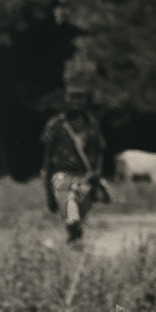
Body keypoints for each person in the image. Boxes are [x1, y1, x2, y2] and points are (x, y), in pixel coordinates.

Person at [39, 88, 107, 243]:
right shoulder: (55, 125)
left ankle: (74, 244)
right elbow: (47, 157)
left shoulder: (92, 125)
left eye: (80, 98)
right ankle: (74, 238)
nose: (76, 102)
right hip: (61, 176)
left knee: (77, 220)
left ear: (86, 101)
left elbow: (100, 151)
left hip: (85, 178)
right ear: (65, 100)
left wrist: (97, 172)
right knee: (72, 216)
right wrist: (48, 192)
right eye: (72, 98)